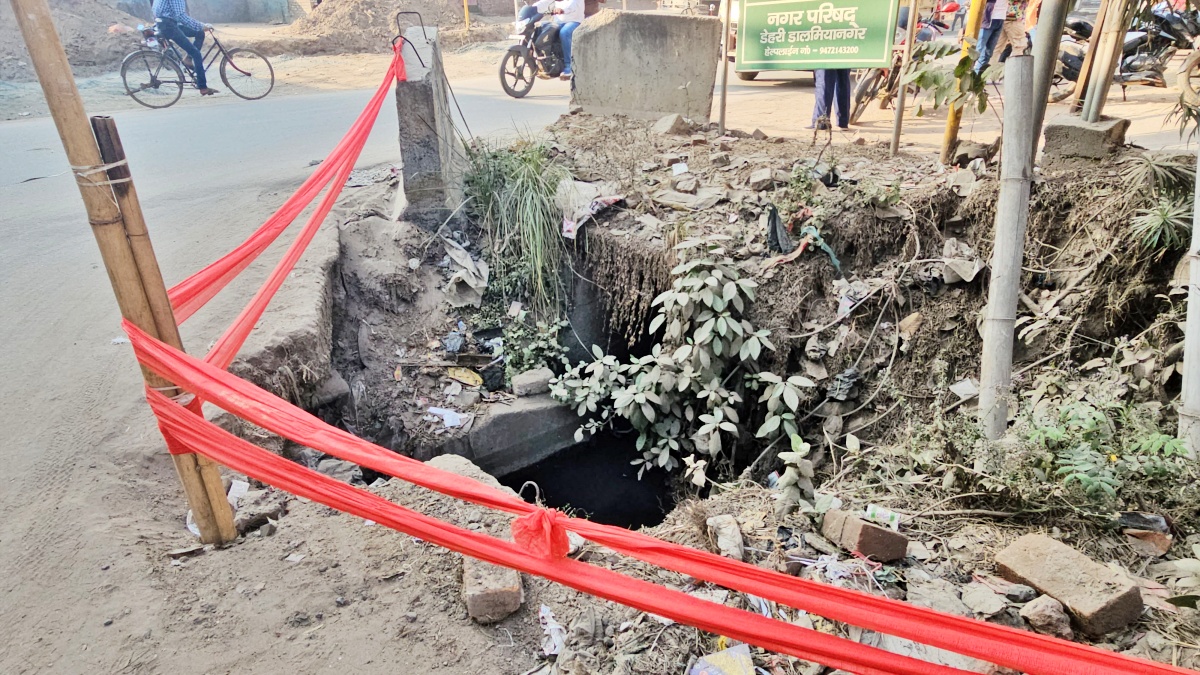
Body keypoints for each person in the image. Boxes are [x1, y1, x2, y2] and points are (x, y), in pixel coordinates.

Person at [152, 0, 218, 95]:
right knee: (196, 54)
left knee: (199, 33)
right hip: (169, 26)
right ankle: (203, 87)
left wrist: (199, 28)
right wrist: (201, 25)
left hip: (163, 24)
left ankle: (188, 59)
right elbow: (181, 16)